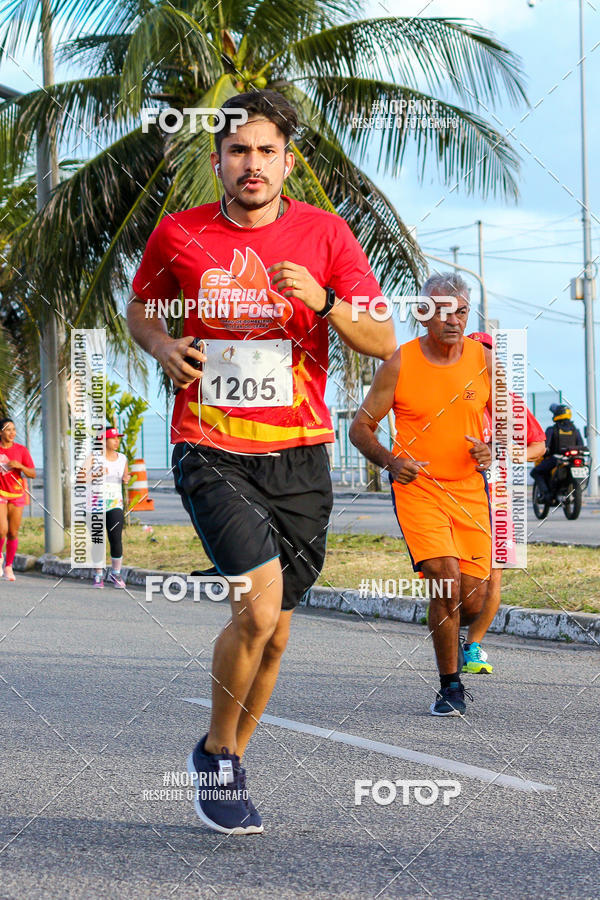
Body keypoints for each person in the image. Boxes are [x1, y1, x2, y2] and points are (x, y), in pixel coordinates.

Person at [127, 90, 395, 834]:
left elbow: (381, 341)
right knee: (258, 607)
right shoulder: (180, 233)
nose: (252, 164)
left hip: (301, 457)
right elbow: (142, 307)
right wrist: (162, 346)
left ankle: (228, 756)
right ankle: (219, 755)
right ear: (216, 160)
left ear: (287, 160)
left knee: (276, 630)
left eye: (266, 151)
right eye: (238, 150)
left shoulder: (327, 235)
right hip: (211, 448)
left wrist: (327, 301)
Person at [349, 274, 493, 717]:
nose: (453, 320)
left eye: (461, 311)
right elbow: (360, 428)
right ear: (422, 314)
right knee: (446, 580)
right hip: (419, 489)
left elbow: (508, 423)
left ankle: (455, 635)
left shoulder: (486, 359)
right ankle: (450, 687)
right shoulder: (400, 362)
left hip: (470, 491)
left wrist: (493, 448)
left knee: (473, 600)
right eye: (442, 311)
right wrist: (392, 463)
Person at [461, 333, 546, 674]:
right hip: (454, 499)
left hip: (496, 503)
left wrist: (507, 453)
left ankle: (473, 646)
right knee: (455, 577)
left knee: (492, 579)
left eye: (487, 357)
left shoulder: (509, 403)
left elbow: (538, 446)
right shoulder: (454, 400)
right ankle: (449, 636)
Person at [91, 427, 130, 589]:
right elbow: (80, 478)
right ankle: (98, 575)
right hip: (96, 504)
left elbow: (125, 477)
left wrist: (126, 478)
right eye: (112, 438)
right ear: (103, 441)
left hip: (115, 504)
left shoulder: (122, 458)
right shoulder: (94, 458)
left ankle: (116, 574)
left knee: (115, 538)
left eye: (117, 438)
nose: (116, 441)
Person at [0, 417, 36, 582]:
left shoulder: (21, 450)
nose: (12, 433)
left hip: (17, 493)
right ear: (1, 432)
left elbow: (33, 474)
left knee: (13, 532)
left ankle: (8, 566)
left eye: (14, 429)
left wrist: (20, 466)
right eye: (8, 429)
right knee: (2, 530)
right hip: (0, 493)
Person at [531, 404, 584, 502]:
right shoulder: (575, 430)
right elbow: (581, 444)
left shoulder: (552, 430)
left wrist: (542, 453)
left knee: (535, 472)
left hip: (556, 459)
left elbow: (545, 447)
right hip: (573, 459)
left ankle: (546, 494)